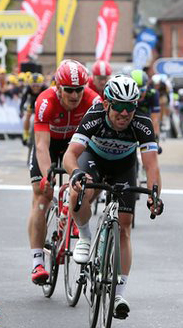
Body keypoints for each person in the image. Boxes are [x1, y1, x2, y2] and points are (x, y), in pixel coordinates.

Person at [63, 75, 163, 319]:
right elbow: (70, 155)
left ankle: (119, 293)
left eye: (130, 107)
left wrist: (154, 196)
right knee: (78, 191)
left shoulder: (142, 123)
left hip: (124, 167)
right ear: (107, 104)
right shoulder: (94, 115)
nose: (124, 113)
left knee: (125, 227)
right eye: (119, 106)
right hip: (94, 160)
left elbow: (151, 167)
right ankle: (85, 237)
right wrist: (76, 172)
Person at [27, 60, 100, 284]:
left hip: (76, 145)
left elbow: (96, 143)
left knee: (91, 183)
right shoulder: (45, 102)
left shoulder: (92, 100)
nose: (76, 95)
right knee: (43, 196)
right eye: (69, 90)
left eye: (80, 89)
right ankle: (37, 261)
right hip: (49, 144)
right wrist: (48, 176)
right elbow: (41, 145)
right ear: (58, 87)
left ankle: (72, 213)